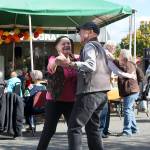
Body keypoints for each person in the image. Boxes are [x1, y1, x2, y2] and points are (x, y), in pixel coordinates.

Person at [61, 22, 111, 150]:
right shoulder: (100, 47)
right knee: (92, 128)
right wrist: (77, 62)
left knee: (74, 127)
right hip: (102, 92)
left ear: (90, 32)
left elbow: (90, 65)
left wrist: (71, 64)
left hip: (90, 92)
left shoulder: (89, 45)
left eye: (81, 31)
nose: (79, 34)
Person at [37, 36, 78, 150]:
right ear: (57, 47)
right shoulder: (53, 58)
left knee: (74, 130)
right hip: (54, 101)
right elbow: (51, 67)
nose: (67, 45)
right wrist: (57, 61)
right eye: (63, 43)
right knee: (49, 130)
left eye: (68, 43)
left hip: (72, 102)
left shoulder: (76, 59)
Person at [100, 40, 136, 138]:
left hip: (126, 89)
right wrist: (130, 76)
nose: (115, 50)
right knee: (105, 109)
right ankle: (101, 131)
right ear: (110, 47)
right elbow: (117, 70)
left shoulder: (104, 53)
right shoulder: (107, 54)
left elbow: (117, 68)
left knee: (107, 109)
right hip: (102, 85)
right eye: (115, 48)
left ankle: (104, 130)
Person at [114, 49, 142, 136]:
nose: (119, 56)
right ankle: (134, 128)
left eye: (120, 55)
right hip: (133, 90)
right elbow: (141, 76)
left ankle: (127, 130)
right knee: (130, 110)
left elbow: (121, 68)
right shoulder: (132, 63)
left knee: (127, 110)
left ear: (123, 56)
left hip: (130, 91)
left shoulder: (127, 64)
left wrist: (112, 60)